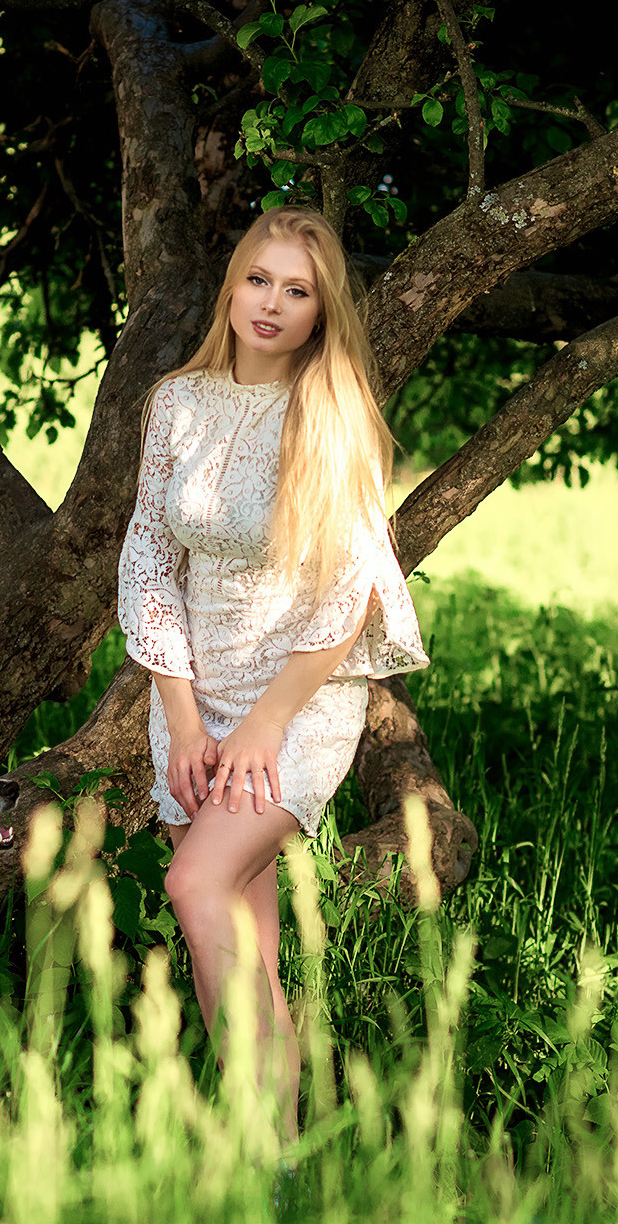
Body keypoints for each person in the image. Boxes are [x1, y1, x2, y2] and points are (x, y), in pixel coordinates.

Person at [117, 205, 429, 1140]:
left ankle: (266, 1152)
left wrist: (264, 722)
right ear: (233, 283)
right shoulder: (177, 402)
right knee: (242, 941)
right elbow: (147, 558)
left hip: (298, 705)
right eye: (260, 279)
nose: (273, 303)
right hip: (196, 705)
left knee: (193, 887)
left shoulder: (331, 416)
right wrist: (181, 719)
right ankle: (276, 1159)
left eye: (299, 291)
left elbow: (354, 594)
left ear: (321, 311)